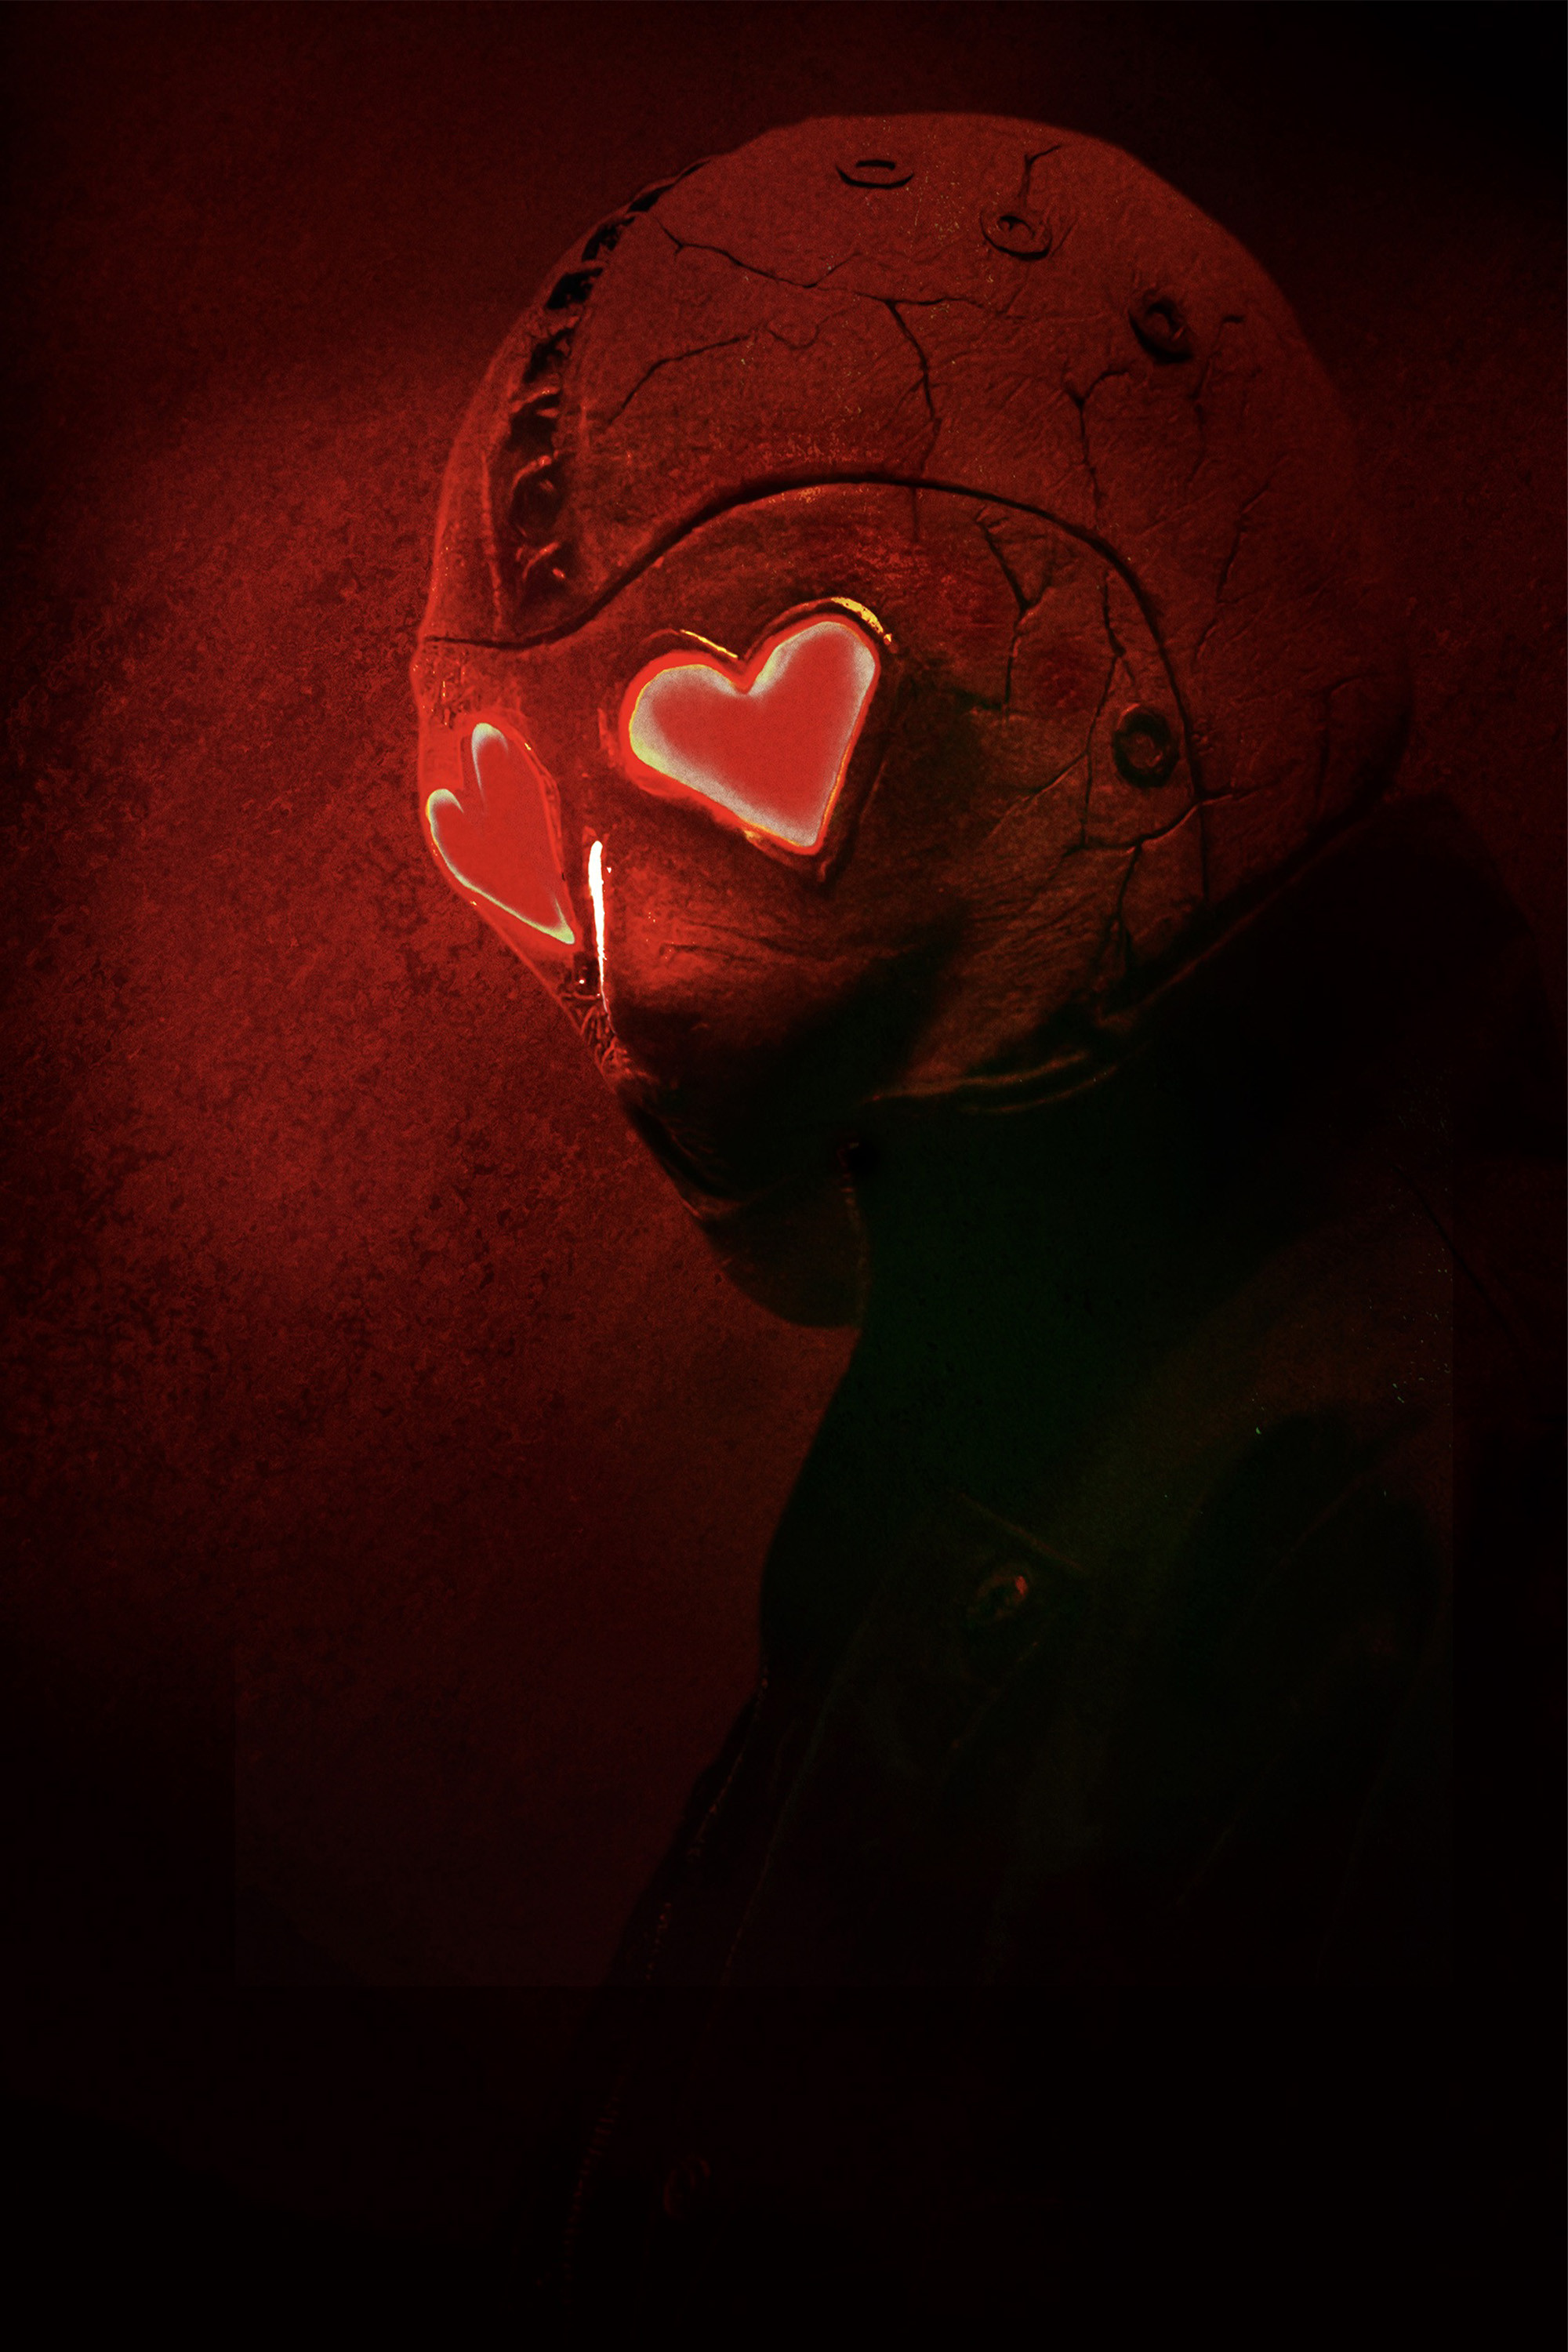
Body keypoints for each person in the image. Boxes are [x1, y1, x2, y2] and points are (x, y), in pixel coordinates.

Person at [412, 116, 1562, 2325]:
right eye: (525, 836)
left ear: (1158, 671)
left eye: (754, 772)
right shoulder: (1058, 1401)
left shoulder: (1438, 1466)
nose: (639, 996)